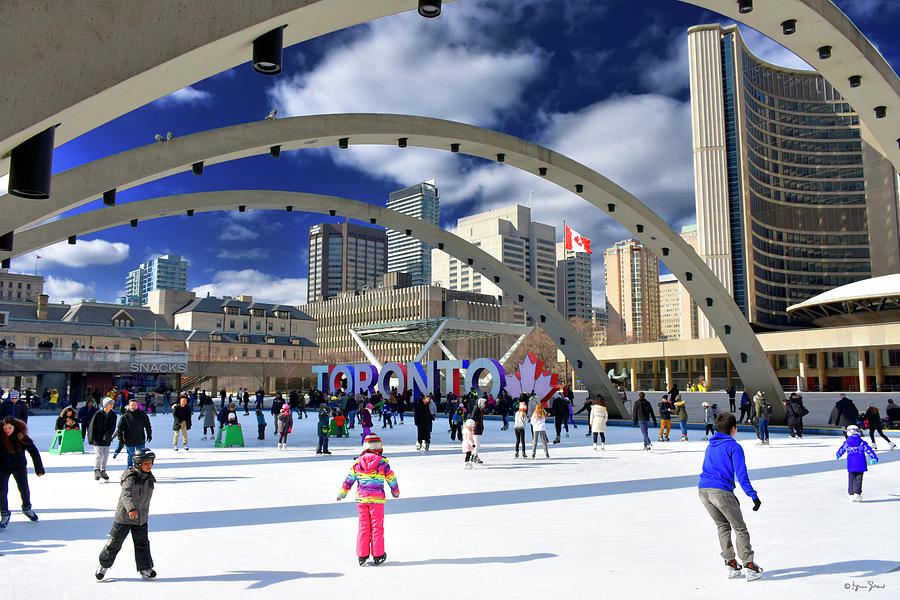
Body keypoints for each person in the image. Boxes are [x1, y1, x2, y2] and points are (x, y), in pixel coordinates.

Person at [698, 413, 764, 581]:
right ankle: (749, 564)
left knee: (722, 526)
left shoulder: (710, 445)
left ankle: (731, 564)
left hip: (703, 490)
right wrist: (753, 495)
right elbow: (742, 475)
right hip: (721, 492)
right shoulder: (734, 447)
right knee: (740, 528)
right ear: (733, 429)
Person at [337, 434, 400, 566]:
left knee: (364, 526)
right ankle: (378, 554)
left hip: (362, 500)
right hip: (376, 501)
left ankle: (362, 555)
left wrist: (342, 493)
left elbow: (349, 480)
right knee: (377, 527)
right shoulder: (382, 462)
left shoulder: (358, 462)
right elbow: (391, 478)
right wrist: (395, 491)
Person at [95, 448, 157, 581]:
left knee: (143, 544)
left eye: (151, 463)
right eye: (146, 463)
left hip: (141, 519)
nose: (149, 466)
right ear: (138, 463)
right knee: (115, 543)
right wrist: (131, 509)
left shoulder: (149, 478)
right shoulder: (130, 477)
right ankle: (103, 565)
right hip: (124, 517)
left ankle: (145, 568)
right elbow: (126, 494)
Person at [0, 417, 44, 528]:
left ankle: (26, 508)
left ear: (15, 427)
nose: (7, 430)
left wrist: (39, 469)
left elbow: (34, 452)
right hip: (3, 467)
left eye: (10, 428)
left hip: (19, 467)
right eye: (5, 428)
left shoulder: (21, 436)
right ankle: (4, 513)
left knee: (23, 488)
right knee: (2, 490)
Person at [836, 425, 879, 502]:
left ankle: (851, 494)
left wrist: (838, 454)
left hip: (851, 463)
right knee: (859, 479)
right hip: (860, 463)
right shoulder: (862, 443)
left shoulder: (847, 443)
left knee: (851, 478)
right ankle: (857, 494)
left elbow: (842, 449)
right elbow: (869, 450)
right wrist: (874, 458)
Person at [114, 399, 152, 468]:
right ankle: (130, 469)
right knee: (131, 456)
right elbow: (120, 429)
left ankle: (140, 470)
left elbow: (148, 425)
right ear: (129, 406)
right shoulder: (125, 416)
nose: (133, 406)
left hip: (140, 439)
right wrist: (121, 440)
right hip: (129, 440)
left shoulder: (142, 415)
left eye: (135, 405)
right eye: (132, 405)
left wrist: (149, 434)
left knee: (141, 456)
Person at [88, 398, 118, 481]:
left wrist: (108, 436)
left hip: (107, 439)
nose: (112, 406)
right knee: (99, 455)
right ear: (105, 405)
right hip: (97, 438)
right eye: (110, 404)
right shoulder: (98, 414)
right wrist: (91, 438)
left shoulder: (113, 415)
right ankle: (97, 469)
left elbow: (112, 427)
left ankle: (103, 470)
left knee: (105, 455)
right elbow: (92, 426)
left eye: (112, 404)